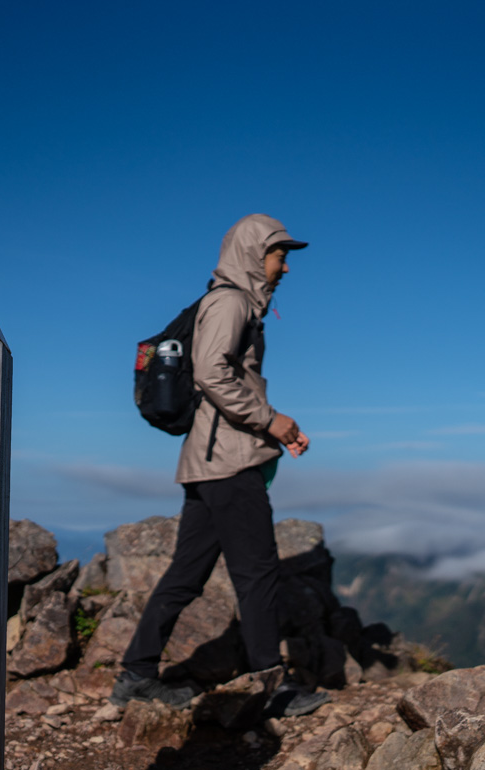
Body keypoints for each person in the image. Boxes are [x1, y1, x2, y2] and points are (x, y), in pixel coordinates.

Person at [110, 214, 329, 718]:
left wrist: (279, 430)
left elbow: (225, 381)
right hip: (228, 464)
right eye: (280, 256)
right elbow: (211, 373)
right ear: (254, 254)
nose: (286, 268)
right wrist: (271, 420)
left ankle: (135, 675)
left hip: (210, 461)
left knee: (186, 575)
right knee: (258, 574)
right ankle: (272, 688)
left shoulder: (234, 303)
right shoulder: (230, 302)